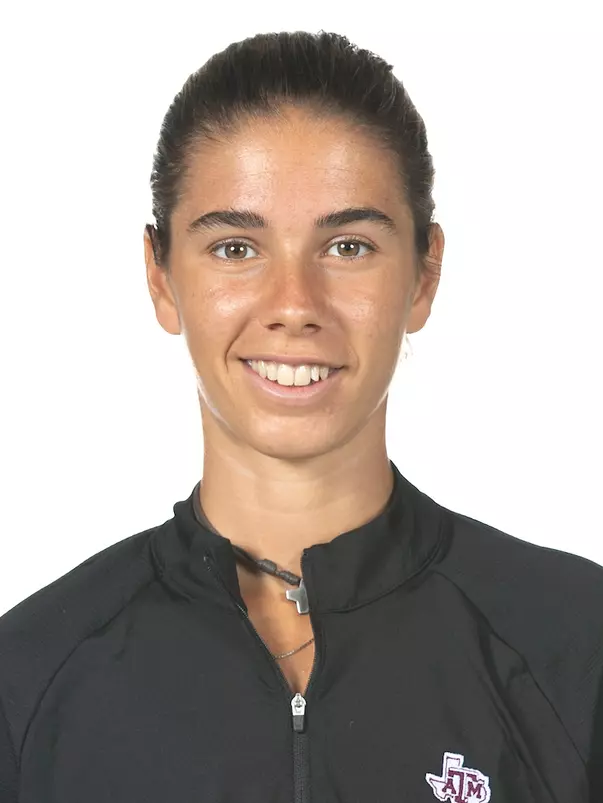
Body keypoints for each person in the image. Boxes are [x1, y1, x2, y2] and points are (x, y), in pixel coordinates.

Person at [1, 29, 602, 803]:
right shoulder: (31, 678)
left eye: (348, 246)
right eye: (234, 248)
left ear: (423, 275)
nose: (293, 305)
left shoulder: (573, 644)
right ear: (160, 276)